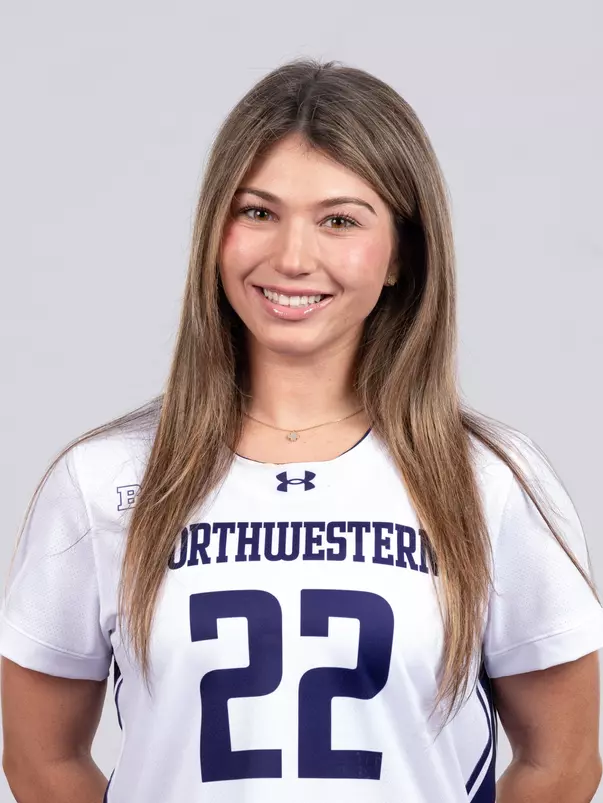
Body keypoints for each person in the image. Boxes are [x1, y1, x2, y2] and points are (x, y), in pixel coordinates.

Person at [1, 58, 602, 803]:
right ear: (213, 230)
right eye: (257, 212)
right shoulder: (105, 479)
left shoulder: (488, 481)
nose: (291, 258)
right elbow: (41, 757)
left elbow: (560, 762)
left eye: (339, 220)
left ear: (400, 255)